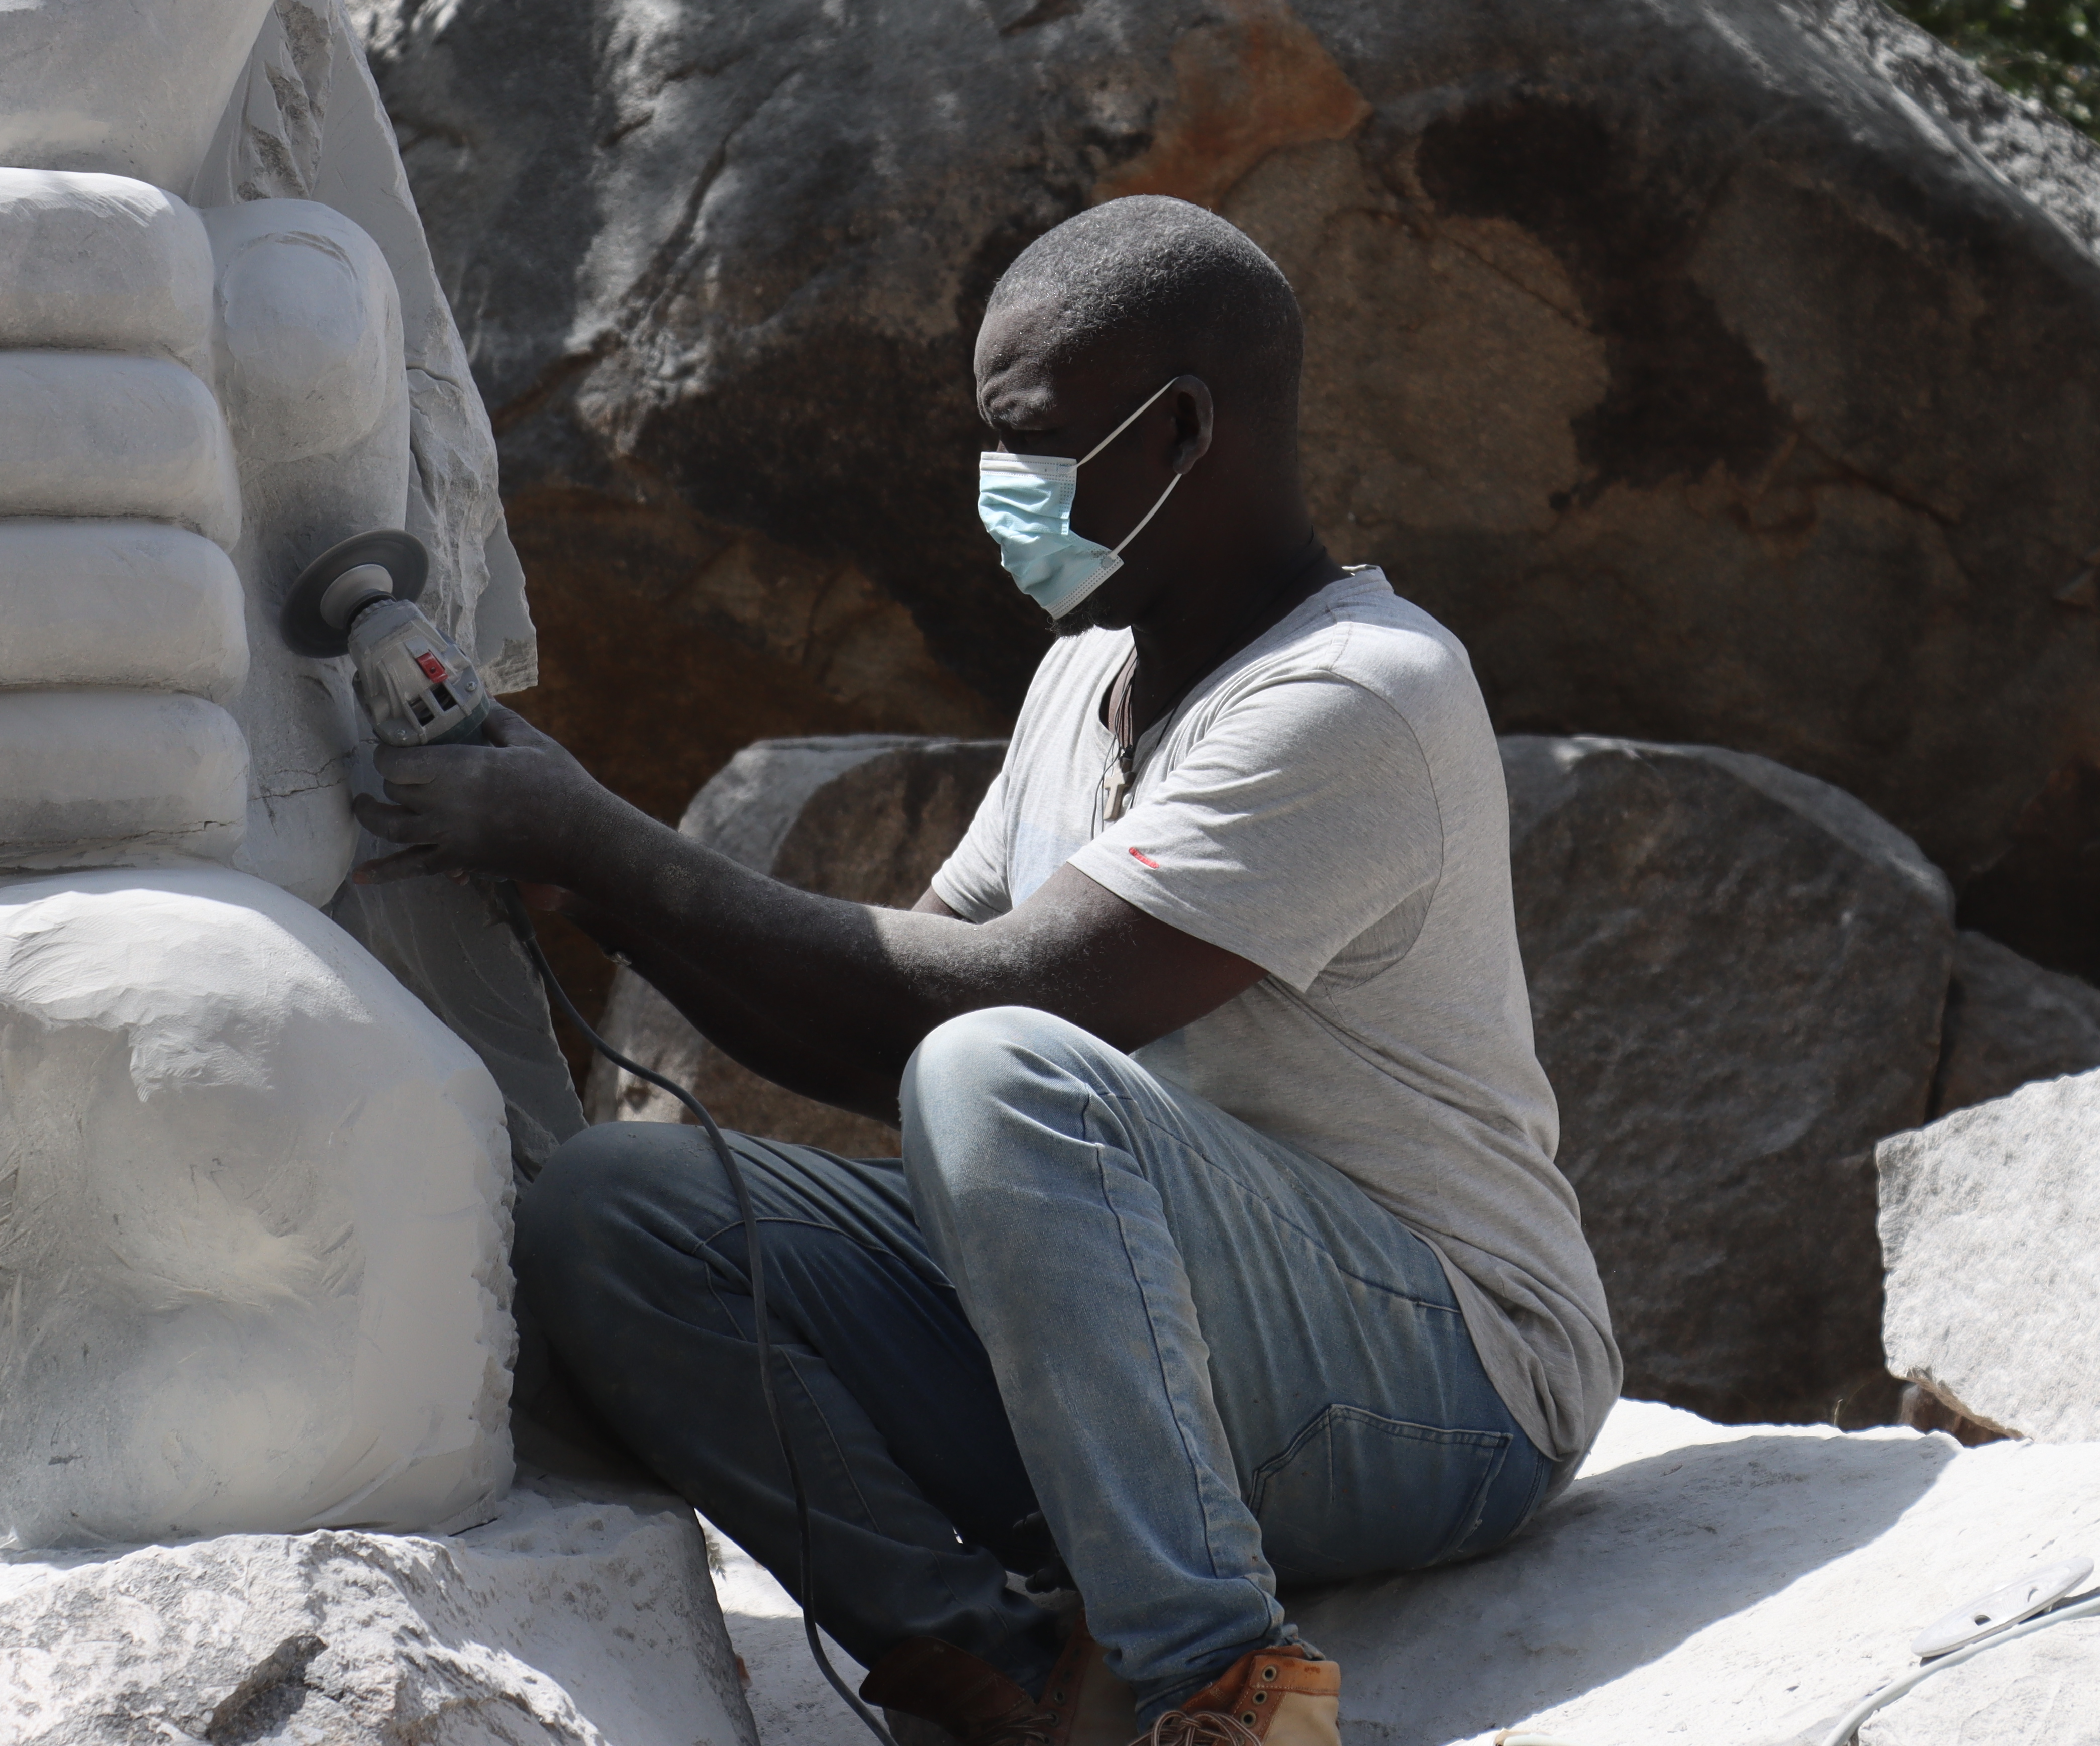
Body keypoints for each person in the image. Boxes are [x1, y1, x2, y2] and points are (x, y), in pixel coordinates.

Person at [357, 195, 1619, 1746]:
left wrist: (610, 843)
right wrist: (599, 887)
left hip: (1448, 1385)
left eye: (1036, 443)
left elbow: (995, 1011)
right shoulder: (1088, 673)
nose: (1000, 490)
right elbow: (885, 1010)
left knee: (1000, 1063)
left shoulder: (1359, 694)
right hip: (1158, 1354)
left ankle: (1225, 1689)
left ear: (1181, 435)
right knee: (613, 1211)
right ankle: (995, 1677)